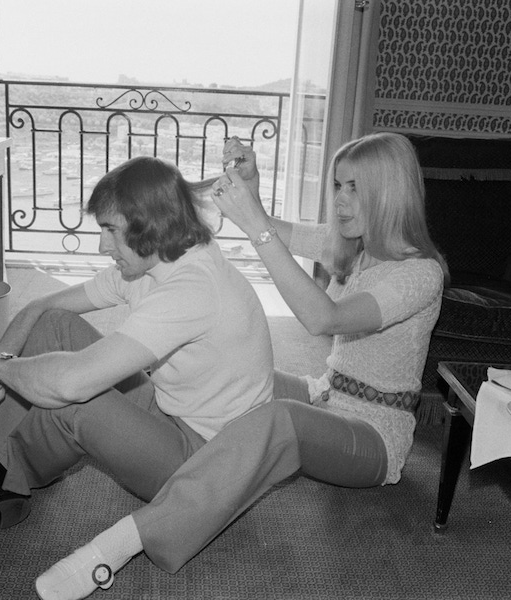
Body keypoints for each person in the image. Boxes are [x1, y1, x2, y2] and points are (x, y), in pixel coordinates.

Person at [32, 132, 448, 600]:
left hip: (374, 434)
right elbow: (272, 225)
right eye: (337, 185)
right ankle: (200, 468)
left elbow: (321, 318)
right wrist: (249, 188)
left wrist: (257, 228)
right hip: (323, 393)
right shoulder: (351, 247)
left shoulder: (421, 275)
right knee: (230, 372)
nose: (341, 200)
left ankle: (121, 543)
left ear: (389, 192)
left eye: (355, 187)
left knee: (278, 422)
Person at [0, 156, 274, 567]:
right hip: (173, 409)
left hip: (211, 465)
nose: (102, 246)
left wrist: (0, 371)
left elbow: (72, 383)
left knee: (74, 395)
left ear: (150, 225)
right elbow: (41, 307)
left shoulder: (191, 288)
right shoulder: (160, 257)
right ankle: (1, 447)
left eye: (111, 230)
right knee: (58, 326)